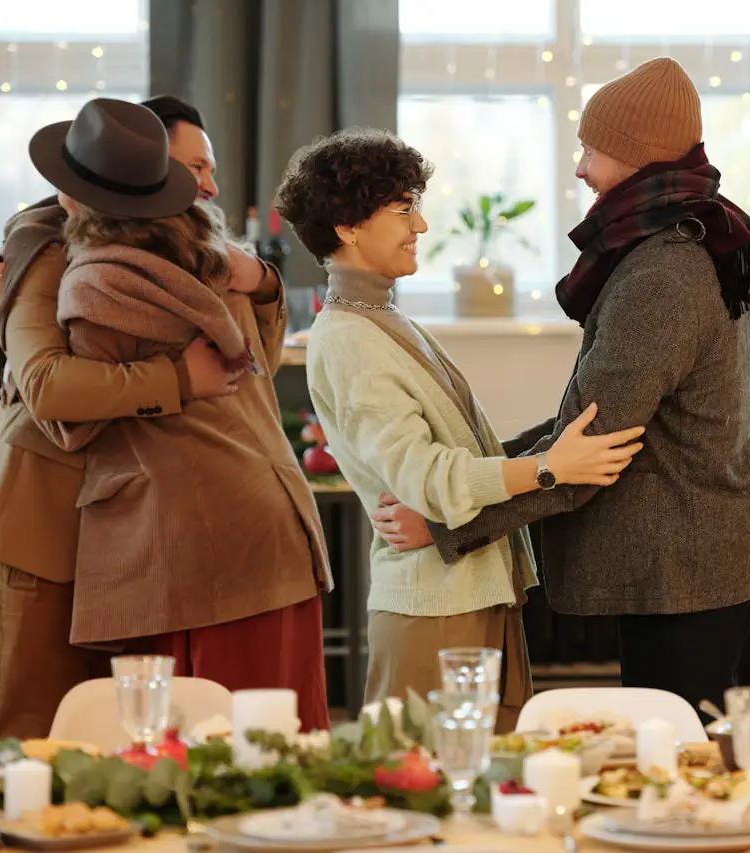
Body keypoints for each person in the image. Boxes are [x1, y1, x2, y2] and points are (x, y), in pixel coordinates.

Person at [374, 58, 750, 718]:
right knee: (698, 766)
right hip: (702, 554)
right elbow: (586, 426)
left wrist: (447, 516)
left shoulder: (664, 271)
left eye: (591, 148)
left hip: (680, 566)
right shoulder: (706, 232)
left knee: (677, 775)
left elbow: (589, 450)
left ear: (635, 155)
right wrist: (465, 474)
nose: (580, 167)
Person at [274, 128, 644, 731]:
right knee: (424, 795)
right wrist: (552, 467)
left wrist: (555, 444)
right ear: (347, 226)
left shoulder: (385, 317)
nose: (419, 225)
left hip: (470, 593)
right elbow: (429, 480)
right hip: (434, 611)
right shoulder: (349, 338)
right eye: (402, 209)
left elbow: (466, 452)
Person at [26, 97, 332, 732]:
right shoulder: (214, 258)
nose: (210, 184)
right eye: (196, 167)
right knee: (274, 741)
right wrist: (266, 285)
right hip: (263, 523)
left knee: (196, 745)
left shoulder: (96, 281)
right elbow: (257, 368)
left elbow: (59, 405)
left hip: (191, 546)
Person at [0, 94, 242, 739]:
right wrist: (178, 380)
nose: (202, 185)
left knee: (130, 733)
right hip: (49, 522)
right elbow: (43, 383)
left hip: (133, 533)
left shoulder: (163, 243)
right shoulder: (45, 247)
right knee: (36, 729)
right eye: (189, 168)